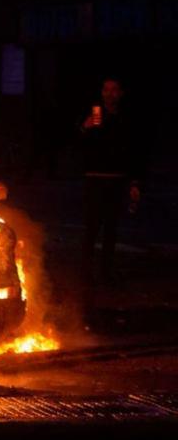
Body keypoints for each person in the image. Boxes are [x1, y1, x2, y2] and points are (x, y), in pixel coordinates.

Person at [79, 77, 144, 300]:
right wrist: (85, 129)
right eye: (106, 89)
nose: (109, 93)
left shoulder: (126, 119)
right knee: (92, 228)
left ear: (121, 93)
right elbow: (87, 143)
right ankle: (86, 272)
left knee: (111, 229)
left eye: (114, 90)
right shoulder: (96, 114)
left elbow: (134, 151)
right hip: (95, 178)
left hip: (117, 179)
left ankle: (106, 271)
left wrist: (134, 182)